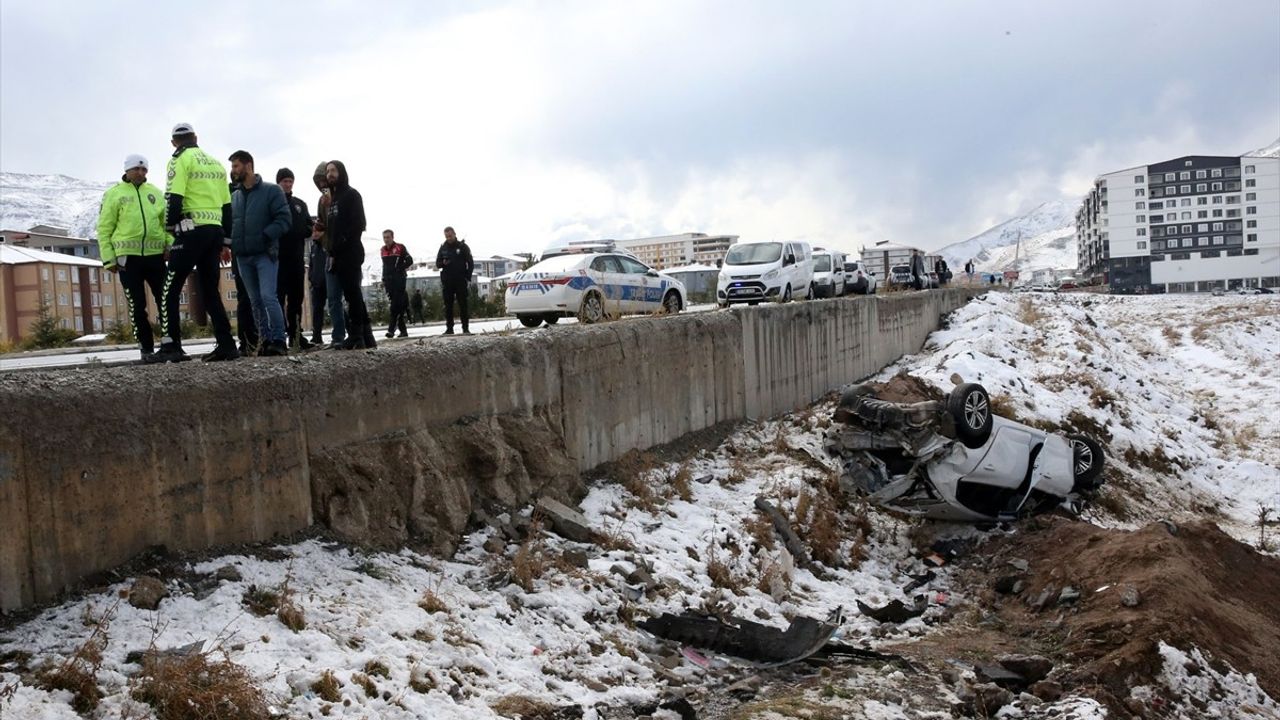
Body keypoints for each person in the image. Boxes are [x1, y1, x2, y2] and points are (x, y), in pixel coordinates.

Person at [154, 123, 237, 363]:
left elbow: (173, 196)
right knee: (210, 289)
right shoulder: (215, 163)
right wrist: (226, 241)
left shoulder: (179, 160)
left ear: (173, 143)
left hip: (191, 231)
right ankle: (227, 344)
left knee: (170, 288)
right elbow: (227, 205)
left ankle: (171, 346)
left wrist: (171, 228)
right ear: (196, 137)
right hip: (214, 231)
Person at [96, 154, 171, 360]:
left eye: (144, 169)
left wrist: (169, 245)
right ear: (127, 171)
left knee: (165, 300)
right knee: (137, 305)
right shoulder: (114, 194)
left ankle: (169, 344)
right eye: (136, 169)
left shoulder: (155, 193)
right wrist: (109, 259)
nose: (140, 173)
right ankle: (145, 348)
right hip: (128, 260)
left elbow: (166, 226)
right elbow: (104, 229)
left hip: (156, 256)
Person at [227, 150, 292, 356]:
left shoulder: (271, 191)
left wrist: (265, 237)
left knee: (268, 296)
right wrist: (231, 245)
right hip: (243, 257)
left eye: (236, 166)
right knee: (254, 300)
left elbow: (284, 220)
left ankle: (279, 340)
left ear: (248, 166)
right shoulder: (235, 196)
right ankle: (264, 340)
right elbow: (234, 225)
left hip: (265, 255)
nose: (233, 171)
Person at [324, 160, 376, 349]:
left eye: (333, 170)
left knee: (352, 294)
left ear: (342, 172)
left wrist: (343, 242)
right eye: (328, 171)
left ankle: (356, 335)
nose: (330, 174)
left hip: (350, 252)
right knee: (351, 294)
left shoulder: (351, 195)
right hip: (337, 254)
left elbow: (359, 224)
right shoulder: (333, 198)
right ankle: (367, 336)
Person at [309, 162, 346, 348]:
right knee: (332, 299)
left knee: (351, 295)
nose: (323, 184)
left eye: (325, 179)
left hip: (346, 254)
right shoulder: (321, 201)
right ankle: (338, 336)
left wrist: (327, 232)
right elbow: (322, 223)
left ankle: (361, 333)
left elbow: (352, 224)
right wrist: (317, 230)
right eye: (319, 181)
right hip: (328, 253)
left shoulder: (345, 196)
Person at [276, 168, 313, 348]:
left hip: (297, 258)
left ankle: (296, 335)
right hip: (278, 259)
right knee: (277, 298)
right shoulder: (273, 202)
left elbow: (309, 227)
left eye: (290, 181)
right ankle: (278, 336)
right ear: (278, 183)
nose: (288, 184)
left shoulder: (300, 204)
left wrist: (300, 231)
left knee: (296, 299)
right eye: (285, 181)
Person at [436, 226, 473, 334]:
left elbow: (470, 262)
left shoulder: (462, 247)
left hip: (460, 279)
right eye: (447, 236)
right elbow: (437, 264)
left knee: (463, 304)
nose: (449, 238)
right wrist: (443, 263)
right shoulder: (443, 248)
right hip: (448, 280)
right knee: (448, 305)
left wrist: (468, 276)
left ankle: (465, 328)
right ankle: (449, 328)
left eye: (450, 236)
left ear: (454, 234)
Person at [380, 229, 413, 338]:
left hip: (399, 279)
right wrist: (384, 279)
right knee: (397, 306)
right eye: (384, 237)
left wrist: (400, 268)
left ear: (392, 237)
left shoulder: (400, 247)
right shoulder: (383, 250)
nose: (386, 240)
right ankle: (403, 331)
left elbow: (409, 260)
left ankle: (391, 329)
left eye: (388, 237)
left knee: (395, 306)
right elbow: (384, 266)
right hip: (389, 281)